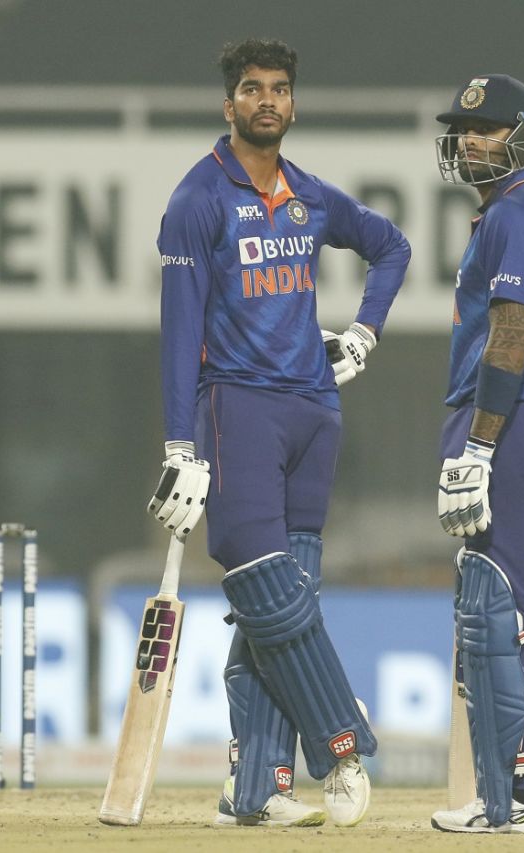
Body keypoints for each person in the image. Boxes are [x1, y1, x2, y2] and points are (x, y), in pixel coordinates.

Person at [146, 38, 410, 829]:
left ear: (293, 105)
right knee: (264, 585)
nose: (268, 101)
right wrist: (178, 445)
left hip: (315, 410)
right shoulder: (196, 200)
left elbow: (391, 249)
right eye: (253, 89)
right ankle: (341, 739)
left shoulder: (311, 195)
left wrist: (363, 333)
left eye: (281, 90)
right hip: (240, 408)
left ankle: (256, 788)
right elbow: (177, 330)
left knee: (285, 597)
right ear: (229, 105)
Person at [429, 74, 524, 835]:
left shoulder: (517, 213)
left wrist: (480, 443)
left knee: (511, 604)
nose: (471, 140)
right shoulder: (511, 213)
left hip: (515, 416)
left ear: (523, 135)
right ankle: (500, 794)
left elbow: (511, 335)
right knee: (490, 602)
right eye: (463, 128)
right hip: (517, 415)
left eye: (486, 128)